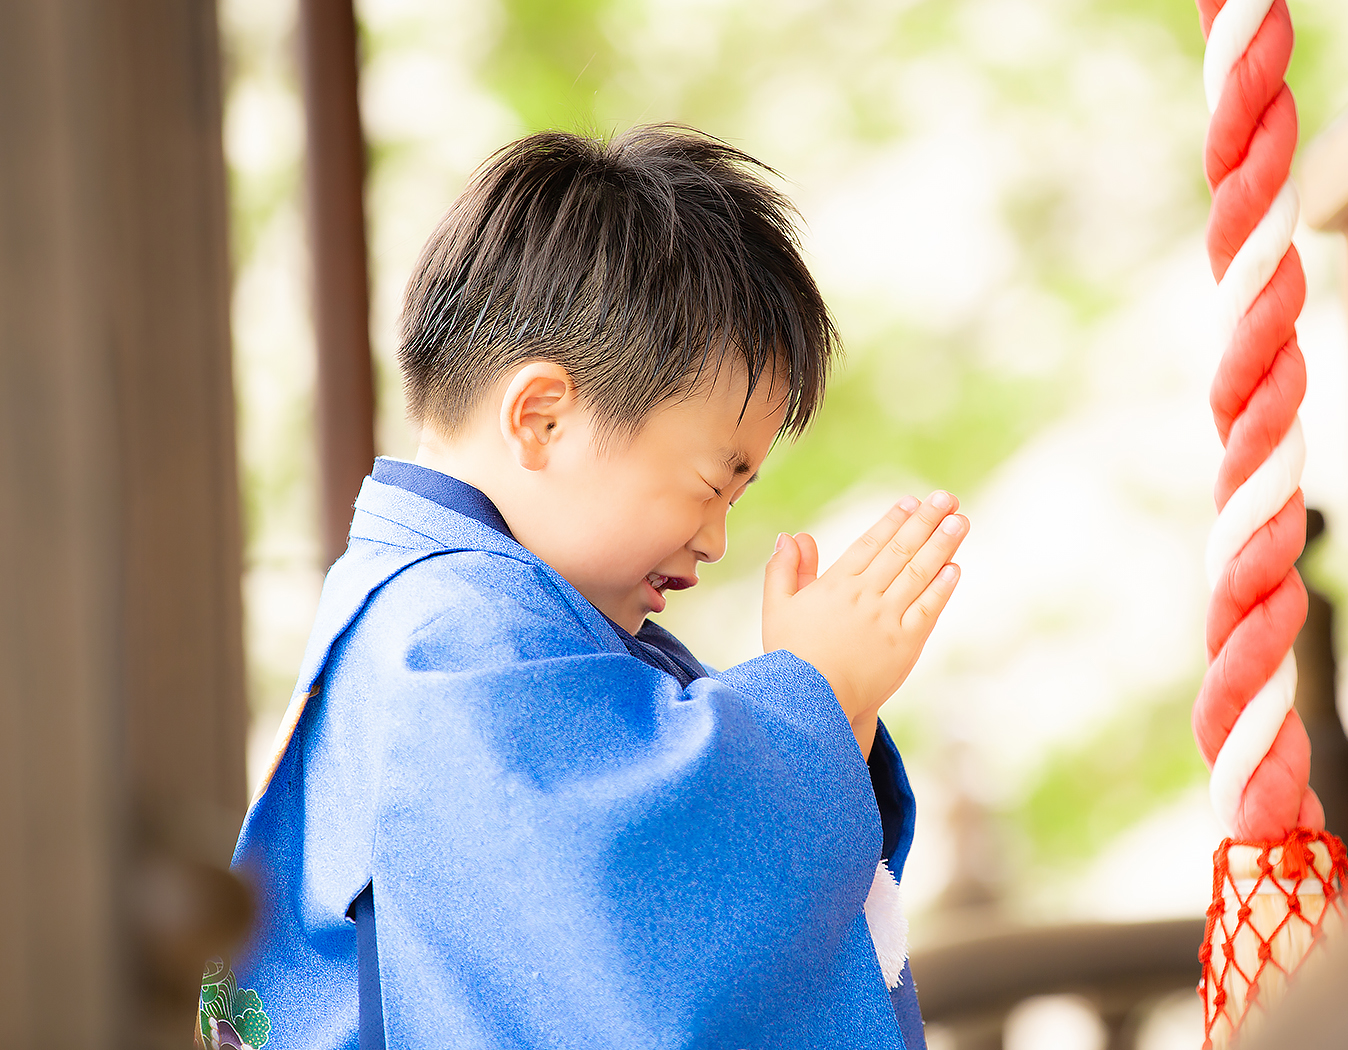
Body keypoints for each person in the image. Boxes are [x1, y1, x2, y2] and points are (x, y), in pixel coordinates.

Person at [202, 125, 968, 1050]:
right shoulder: (450, 637)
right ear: (543, 418)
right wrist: (807, 698)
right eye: (712, 480)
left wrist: (816, 727)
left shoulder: (441, 612)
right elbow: (619, 931)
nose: (719, 536)